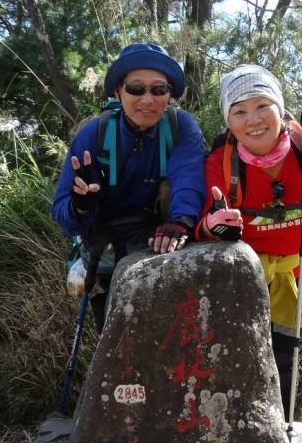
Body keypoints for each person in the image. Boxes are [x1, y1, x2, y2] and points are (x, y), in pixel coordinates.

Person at [195, 64, 302, 417]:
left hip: (296, 273)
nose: (253, 120)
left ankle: (280, 427)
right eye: (239, 111)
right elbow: (202, 226)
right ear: (228, 121)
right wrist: (215, 226)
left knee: (285, 354)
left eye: (262, 105)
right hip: (243, 278)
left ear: (280, 106)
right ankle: (236, 425)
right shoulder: (220, 163)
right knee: (238, 353)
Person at [53, 42, 207, 330]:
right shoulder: (93, 135)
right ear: (118, 92)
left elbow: (188, 179)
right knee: (115, 341)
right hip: (104, 253)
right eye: (136, 89)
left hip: (158, 245)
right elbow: (63, 214)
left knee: (165, 337)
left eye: (159, 90)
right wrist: (79, 206)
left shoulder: (181, 127)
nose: (147, 99)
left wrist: (181, 221)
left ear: (169, 94)